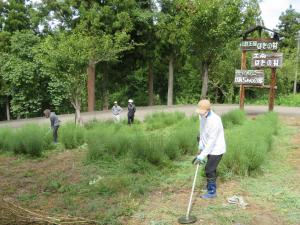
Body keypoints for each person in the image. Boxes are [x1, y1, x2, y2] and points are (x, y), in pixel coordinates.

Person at [193, 99, 226, 199]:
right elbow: (202, 131)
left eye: (203, 113)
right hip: (207, 146)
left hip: (216, 148)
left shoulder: (215, 120)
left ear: (208, 110)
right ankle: (209, 188)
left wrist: (201, 156)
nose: (201, 114)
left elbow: (212, 142)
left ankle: (212, 192)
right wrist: (200, 147)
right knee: (211, 169)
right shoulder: (201, 116)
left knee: (209, 169)